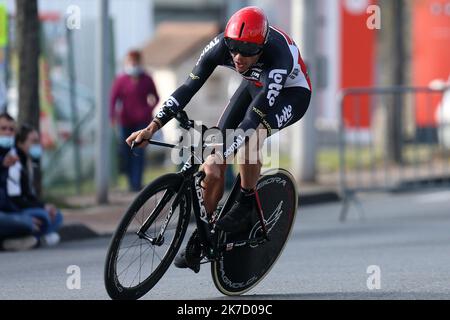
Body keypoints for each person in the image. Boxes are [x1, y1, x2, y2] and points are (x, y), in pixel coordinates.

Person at [126, 6, 312, 272]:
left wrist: (222, 152)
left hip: (290, 95)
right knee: (211, 168)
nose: (237, 57)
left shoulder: (278, 57)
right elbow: (189, 86)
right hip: (253, 87)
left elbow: (252, 119)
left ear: (260, 47)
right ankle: (205, 234)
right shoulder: (222, 47)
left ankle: (247, 201)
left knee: (251, 140)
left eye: (247, 52)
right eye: (233, 48)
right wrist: (152, 127)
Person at [110, 50, 160, 192]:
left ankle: (137, 183)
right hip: (125, 121)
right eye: (130, 61)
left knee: (139, 151)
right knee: (126, 152)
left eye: (135, 61)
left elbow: (156, 97)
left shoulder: (147, 79)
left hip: (142, 121)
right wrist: (112, 116)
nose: (133, 64)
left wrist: (148, 110)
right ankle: (130, 182)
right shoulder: (121, 80)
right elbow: (113, 99)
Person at [6, 124, 63, 247]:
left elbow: (28, 195)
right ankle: (36, 239)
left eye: (38, 141)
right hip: (15, 209)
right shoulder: (14, 162)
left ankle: (37, 239)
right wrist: (42, 208)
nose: (37, 145)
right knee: (43, 216)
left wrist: (44, 205)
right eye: (33, 141)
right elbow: (16, 199)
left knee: (57, 215)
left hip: (21, 207)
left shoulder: (28, 162)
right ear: (21, 143)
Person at [0, 113, 39, 250]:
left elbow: (6, 199)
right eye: (3, 128)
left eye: (11, 129)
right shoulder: (9, 159)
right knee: (28, 222)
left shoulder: (10, 156)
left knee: (50, 217)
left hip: (7, 211)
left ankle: (9, 243)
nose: (8, 132)